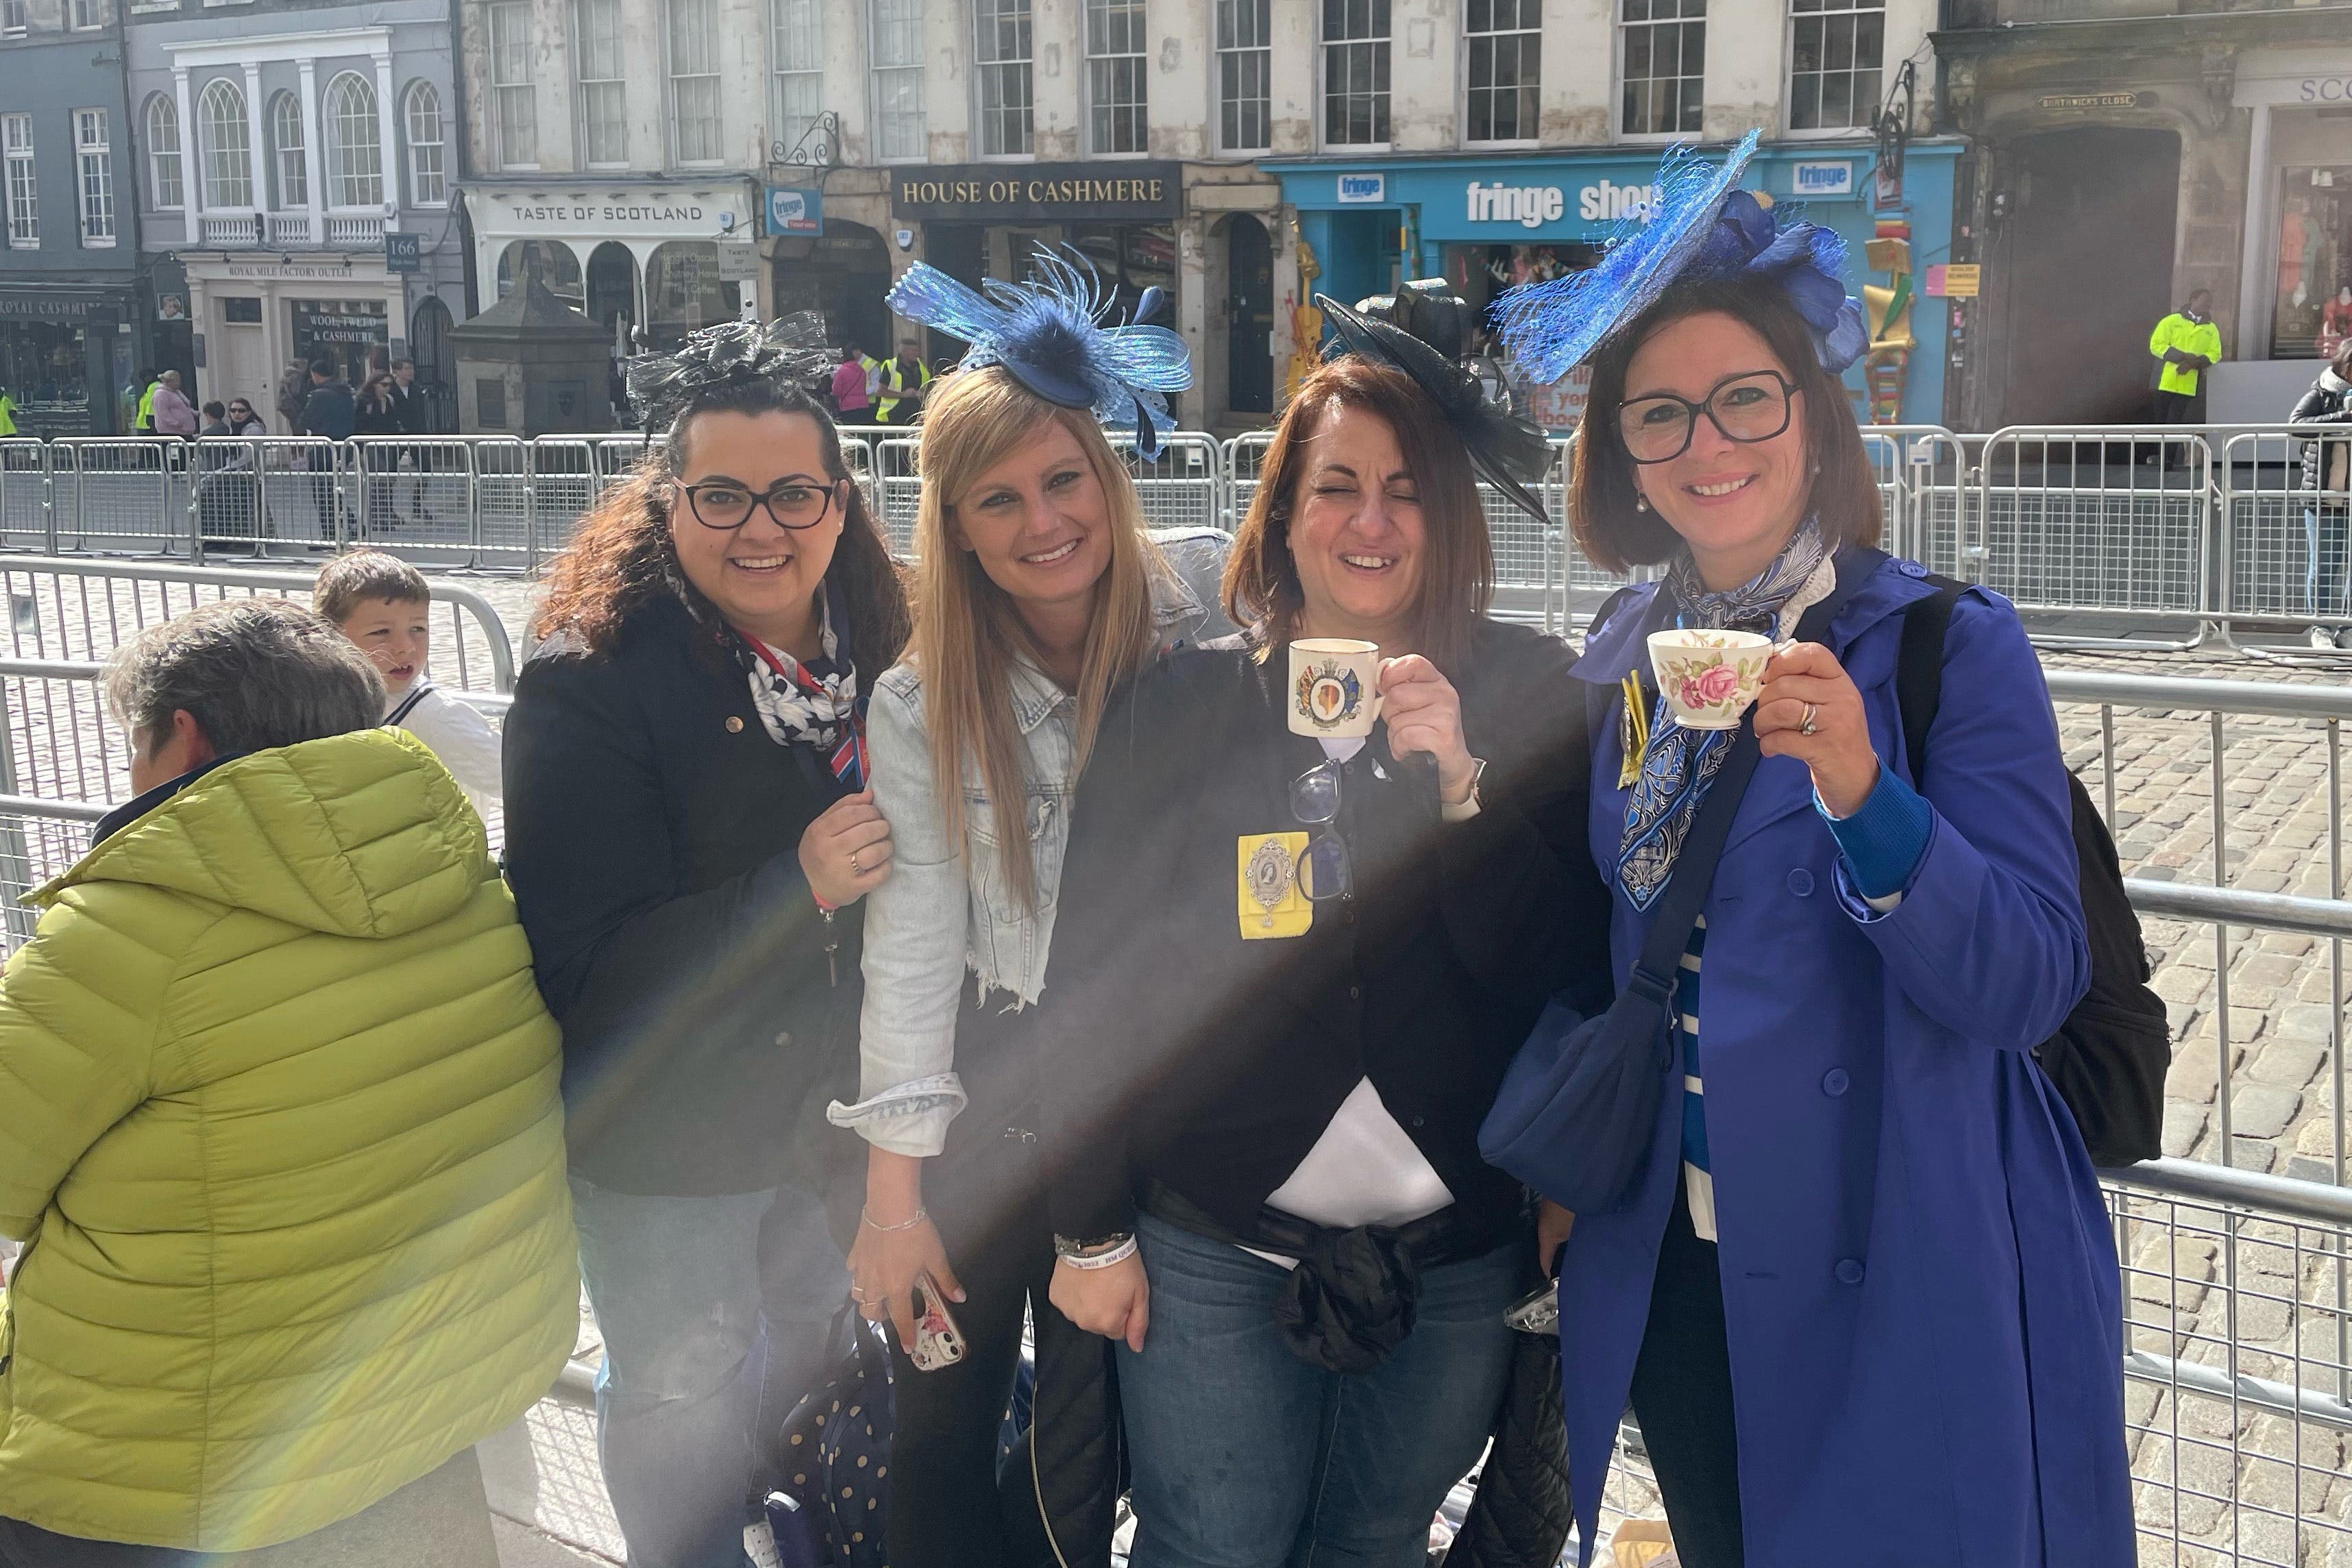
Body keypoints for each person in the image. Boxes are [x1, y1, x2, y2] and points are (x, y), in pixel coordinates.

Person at [1489, 132, 2131, 1567]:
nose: (1706, 445)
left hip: (1900, 1243)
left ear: (1814, 420)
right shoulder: (1622, 664)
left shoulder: (1944, 647)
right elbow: (1619, 949)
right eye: (1660, 416)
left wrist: (1863, 792)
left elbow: (2030, 979)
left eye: (1742, 400)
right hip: (1681, 1259)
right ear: (1624, 459)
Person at [1034, 290, 1605, 1568]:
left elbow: (1565, 975)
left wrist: (1461, 792)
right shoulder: (1176, 707)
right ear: (1282, 512)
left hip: (1453, 1251)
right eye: (1336, 484)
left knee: (1375, 1540)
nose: (1371, 520)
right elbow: (1093, 980)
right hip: (1210, 1240)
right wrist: (1087, 1227)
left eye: (1407, 489)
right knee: (1208, 1543)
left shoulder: (1531, 691)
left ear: (1446, 517)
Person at [0, 598, 577, 1565]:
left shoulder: (129, 935)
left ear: (182, 737)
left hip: (175, 1465)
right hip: (419, 1416)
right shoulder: (470, 886)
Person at [833, 252, 1225, 1567]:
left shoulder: (1208, 621)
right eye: (995, 499)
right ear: (951, 525)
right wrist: (894, 1203)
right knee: (938, 1434)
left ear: (1108, 478)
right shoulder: (921, 702)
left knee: (1098, 1437)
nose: (1039, 520)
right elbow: (914, 950)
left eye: (1063, 479)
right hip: (991, 1104)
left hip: (1161, 1094)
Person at [502, 315, 911, 1568]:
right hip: (670, 1144)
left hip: (834, 1125)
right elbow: (584, 962)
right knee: (681, 1399)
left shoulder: (889, 659)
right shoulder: (593, 682)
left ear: (841, 503)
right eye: (721, 494)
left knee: (808, 1372)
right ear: (666, 504)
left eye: (794, 493)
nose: (761, 527)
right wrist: (793, 886)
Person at [317, 550, 505, 813]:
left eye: (418, 629)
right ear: (330, 634)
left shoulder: (438, 717)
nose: (405, 647)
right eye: (381, 632)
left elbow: (514, 779)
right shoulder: (319, 699)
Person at [2294, 343, 2352, 642]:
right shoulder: (2322, 392)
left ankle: (2348, 628)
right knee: (2324, 564)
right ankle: (2321, 628)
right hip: (2325, 496)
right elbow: (2296, 424)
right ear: (2345, 366)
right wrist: (2343, 418)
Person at [2148, 288, 2222, 426]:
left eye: (2210, 303)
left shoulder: (2211, 329)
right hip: (2163, 383)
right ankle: (2159, 449)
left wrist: (2193, 364)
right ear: (2193, 300)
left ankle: (2172, 449)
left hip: (2187, 386)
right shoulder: (2171, 321)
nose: (2207, 305)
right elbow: (2156, 345)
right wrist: (2182, 356)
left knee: (2175, 427)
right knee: (2158, 427)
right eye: (2204, 301)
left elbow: (2215, 354)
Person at [299, 360, 355, 540]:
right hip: (342, 448)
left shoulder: (319, 395)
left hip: (323, 450)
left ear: (315, 375)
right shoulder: (346, 392)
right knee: (335, 489)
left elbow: (304, 422)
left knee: (322, 494)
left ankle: (331, 534)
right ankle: (350, 523)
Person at [873, 336, 931, 425]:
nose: (917, 353)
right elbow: (880, 391)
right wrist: (903, 394)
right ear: (904, 352)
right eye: (913, 350)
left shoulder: (920, 366)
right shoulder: (890, 365)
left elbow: (928, 389)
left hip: (915, 417)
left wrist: (921, 393)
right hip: (893, 416)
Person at [830, 341, 871, 421]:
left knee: (850, 432)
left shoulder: (842, 370)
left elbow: (836, 391)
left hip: (848, 407)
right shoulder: (863, 369)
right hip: (863, 405)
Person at [149, 369, 197, 438]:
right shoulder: (161, 394)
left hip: (184, 431)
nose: (179, 383)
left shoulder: (176, 392)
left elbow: (184, 406)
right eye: (177, 381)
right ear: (168, 382)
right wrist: (176, 423)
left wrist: (193, 413)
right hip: (171, 432)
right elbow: (163, 413)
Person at [277, 358, 310, 432]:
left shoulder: (287, 375)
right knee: (299, 427)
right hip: (295, 405)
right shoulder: (297, 376)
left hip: (286, 405)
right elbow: (296, 392)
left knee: (293, 425)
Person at [133, 367, 159, 433]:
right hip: (149, 422)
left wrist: (150, 419)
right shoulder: (150, 387)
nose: (144, 379)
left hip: (152, 420)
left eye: (145, 376)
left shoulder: (154, 386)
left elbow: (150, 404)